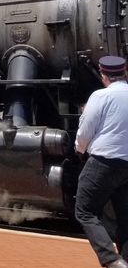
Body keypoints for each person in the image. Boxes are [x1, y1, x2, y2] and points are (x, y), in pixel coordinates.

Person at [75, 55, 128, 268]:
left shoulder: (100, 96)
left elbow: (86, 129)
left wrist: (79, 149)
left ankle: (111, 260)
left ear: (103, 75)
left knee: (84, 210)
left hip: (104, 162)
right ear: (124, 73)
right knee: (125, 215)